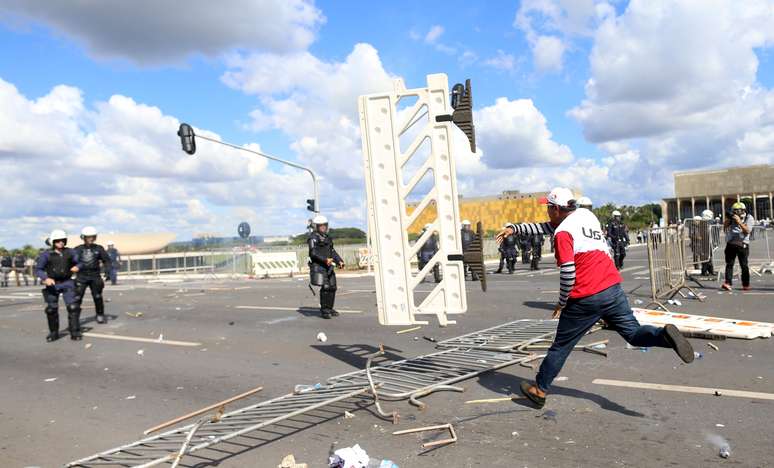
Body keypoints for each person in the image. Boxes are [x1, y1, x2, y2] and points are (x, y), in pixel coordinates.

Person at [496, 187, 695, 409]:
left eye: (548, 208)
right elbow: (543, 227)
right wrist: (514, 228)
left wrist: (562, 302)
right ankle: (664, 337)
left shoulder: (563, 234)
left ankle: (539, 390)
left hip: (586, 297)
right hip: (612, 288)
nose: (546, 212)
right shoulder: (585, 215)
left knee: (561, 346)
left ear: (555, 209)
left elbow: (568, 273)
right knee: (633, 333)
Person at [36, 229, 82, 341]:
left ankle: (75, 332)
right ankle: (54, 333)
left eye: (63, 240)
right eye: (57, 241)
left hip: (67, 282)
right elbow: (38, 269)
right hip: (53, 284)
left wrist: (78, 267)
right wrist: (45, 278)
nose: (61, 242)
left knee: (73, 307)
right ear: (53, 242)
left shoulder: (70, 252)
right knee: (51, 309)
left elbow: (80, 262)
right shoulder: (46, 255)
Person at [74, 227, 113, 324]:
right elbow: (69, 260)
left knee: (97, 296)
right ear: (83, 237)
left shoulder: (98, 248)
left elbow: (107, 260)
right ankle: (75, 317)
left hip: (95, 275)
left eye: (93, 237)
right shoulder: (78, 249)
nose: (91, 239)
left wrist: (107, 271)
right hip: (81, 276)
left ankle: (100, 314)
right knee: (77, 297)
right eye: (88, 237)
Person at [308, 215, 344, 319]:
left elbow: (332, 251)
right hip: (319, 266)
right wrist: (325, 260)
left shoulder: (328, 237)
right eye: (321, 225)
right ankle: (324, 310)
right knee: (326, 287)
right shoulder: (313, 238)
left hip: (329, 267)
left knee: (333, 287)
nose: (323, 227)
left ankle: (330, 308)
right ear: (317, 226)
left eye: (325, 225)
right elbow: (313, 253)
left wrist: (339, 260)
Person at [721, 202, 755, 291]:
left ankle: (746, 284)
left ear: (743, 210)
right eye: (735, 210)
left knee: (744, 265)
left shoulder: (749, 218)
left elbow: (747, 231)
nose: (737, 212)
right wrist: (729, 219)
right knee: (729, 264)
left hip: (743, 243)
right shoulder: (732, 217)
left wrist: (739, 221)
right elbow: (724, 227)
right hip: (731, 243)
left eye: (739, 210)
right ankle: (728, 283)